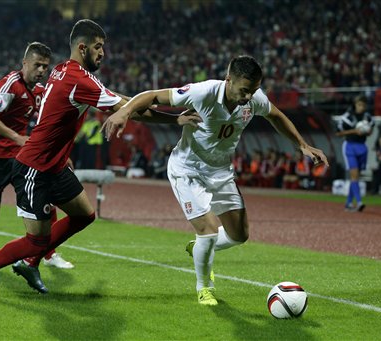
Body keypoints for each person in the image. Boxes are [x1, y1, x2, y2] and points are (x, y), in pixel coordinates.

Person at [0, 19, 202, 296]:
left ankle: (30, 262)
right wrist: (173, 119)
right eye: (98, 47)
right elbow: (127, 108)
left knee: (84, 215)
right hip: (34, 167)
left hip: (54, 165)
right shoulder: (78, 79)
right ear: (83, 47)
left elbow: (125, 103)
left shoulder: (65, 71)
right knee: (36, 240)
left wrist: (158, 110)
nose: (102, 53)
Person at [102, 55, 328, 306]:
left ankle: (198, 248)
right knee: (208, 232)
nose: (248, 97)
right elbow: (152, 95)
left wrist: (302, 145)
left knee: (238, 235)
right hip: (188, 170)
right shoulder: (203, 93)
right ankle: (204, 288)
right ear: (228, 80)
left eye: (252, 91)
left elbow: (275, 115)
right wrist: (124, 112)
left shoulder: (254, 98)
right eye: (244, 91)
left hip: (221, 172)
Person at [0, 42, 74, 269]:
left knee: (44, 198)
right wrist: (17, 137)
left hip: (20, 158)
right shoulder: (9, 85)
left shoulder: (39, 92)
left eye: (45, 66)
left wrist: (56, 153)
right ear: (25, 63)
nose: (41, 70)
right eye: (37, 65)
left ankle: (49, 254)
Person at [336, 95, 374, 212]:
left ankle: (348, 203)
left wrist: (366, 131)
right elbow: (338, 133)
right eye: (359, 104)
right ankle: (359, 202)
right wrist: (354, 131)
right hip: (350, 146)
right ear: (355, 104)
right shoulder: (347, 117)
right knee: (354, 174)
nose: (361, 107)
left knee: (356, 176)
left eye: (363, 105)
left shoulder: (368, 117)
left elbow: (370, 131)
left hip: (362, 147)